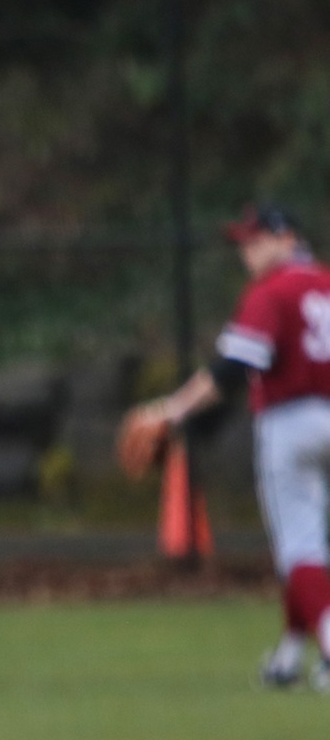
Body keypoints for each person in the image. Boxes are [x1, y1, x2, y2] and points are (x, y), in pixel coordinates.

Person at [123, 204, 330, 686]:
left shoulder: (271, 291)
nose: (248, 251)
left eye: (257, 240)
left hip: (291, 423)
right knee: (308, 550)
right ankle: (287, 656)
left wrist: (170, 410)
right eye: (244, 242)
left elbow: (232, 369)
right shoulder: (324, 281)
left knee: (300, 549)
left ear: (286, 239)